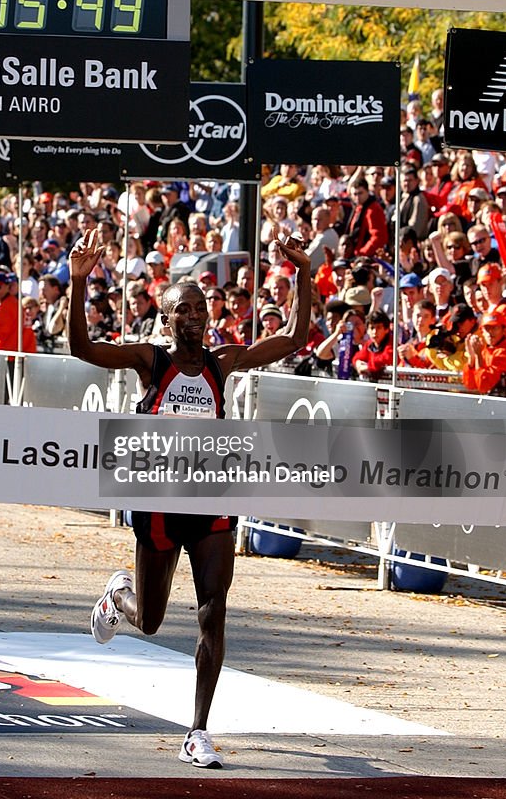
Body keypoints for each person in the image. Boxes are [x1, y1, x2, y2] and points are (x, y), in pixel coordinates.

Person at [68, 227, 311, 770]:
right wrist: (78, 284)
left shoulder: (224, 364)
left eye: (202, 308)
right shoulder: (151, 362)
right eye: (185, 310)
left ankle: (197, 730)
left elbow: (295, 337)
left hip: (211, 504)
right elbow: (82, 348)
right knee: (151, 620)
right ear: (167, 319)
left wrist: (303, 270)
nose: (197, 316)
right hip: (157, 505)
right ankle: (117, 600)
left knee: (213, 612)